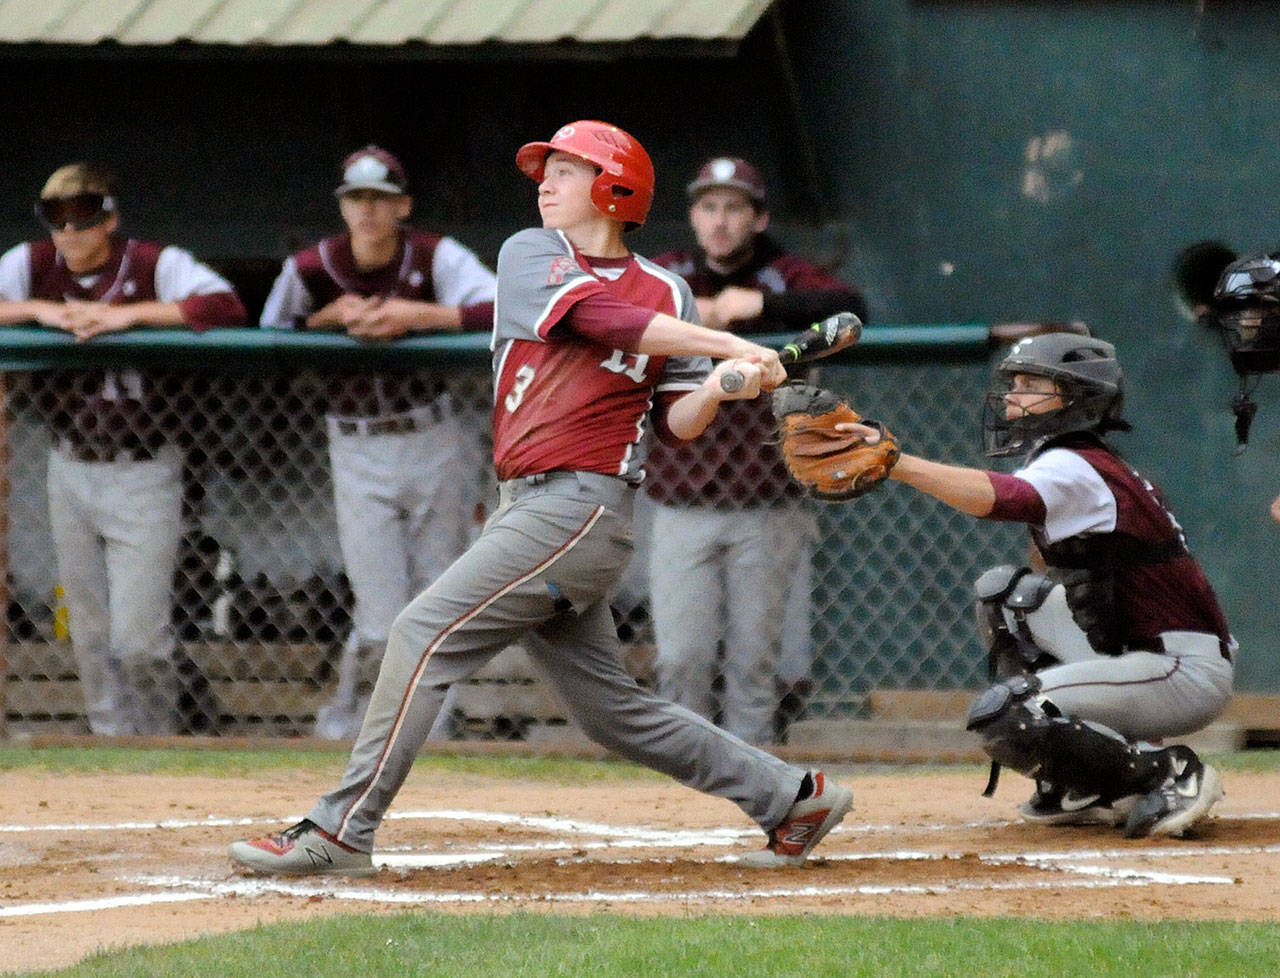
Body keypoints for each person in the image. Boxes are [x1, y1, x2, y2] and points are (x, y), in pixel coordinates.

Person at [228, 120, 853, 875]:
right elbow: (603, 318)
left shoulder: (670, 291)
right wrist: (729, 348)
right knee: (612, 712)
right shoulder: (532, 254)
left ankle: (339, 828)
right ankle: (793, 798)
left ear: (615, 188)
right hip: (528, 504)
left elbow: (679, 424)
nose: (544, 184)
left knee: (422, 631)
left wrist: (723, 389)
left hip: (582, 507)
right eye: (545, 171)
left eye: (563, 171)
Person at [844, 332, 1233, 837]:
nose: (1012, 396)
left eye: (1031, 384)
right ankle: (1085, 782)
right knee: (1007, 597)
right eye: (1015, 383)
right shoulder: (1082, 461)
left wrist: (897, 463)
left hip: (1180, 669)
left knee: (1010, 712)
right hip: (1145, 656)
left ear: (1077, 399)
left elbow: (1002, 498)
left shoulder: (1077, 465)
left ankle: (1165, 775)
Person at [0, 162, 247, 735]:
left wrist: (125, 317)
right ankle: (110, 737)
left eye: (82, 216)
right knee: (87, 627)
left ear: (108, 217)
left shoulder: (152, 263)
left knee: (138, 637)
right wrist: (38, 311)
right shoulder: (30, 265)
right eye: (55, 218)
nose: (69, 230)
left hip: (144, 465)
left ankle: (155, 737)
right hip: (71, 463)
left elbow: (224, 307)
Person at [260, 145, 497, 740]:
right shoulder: (313, 266)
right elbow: (267, 334)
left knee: (438, 593)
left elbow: (502, 306)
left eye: (381, 199)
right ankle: (349, 720)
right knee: (380, 613)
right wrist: (327, 319)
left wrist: (415, 316)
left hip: (431, 434)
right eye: (357, 198)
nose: (368, 210)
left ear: (404, 206)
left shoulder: (434, 254)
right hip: (356, 444)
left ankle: (432, 729)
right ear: (343, 206)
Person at [644, 157, 867, 744]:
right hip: (680, 495)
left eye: (734, 208)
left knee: (754, 663)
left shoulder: (783, 273)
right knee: (682, 658)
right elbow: (620, 308)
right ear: (693, 216)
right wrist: (705, 318)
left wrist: (759, 309)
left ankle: (755, 779)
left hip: (767, 499)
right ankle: (682, 779)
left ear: (758, 217)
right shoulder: (670, 274)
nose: (720, 222)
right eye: (709, 207)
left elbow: (851, 310)